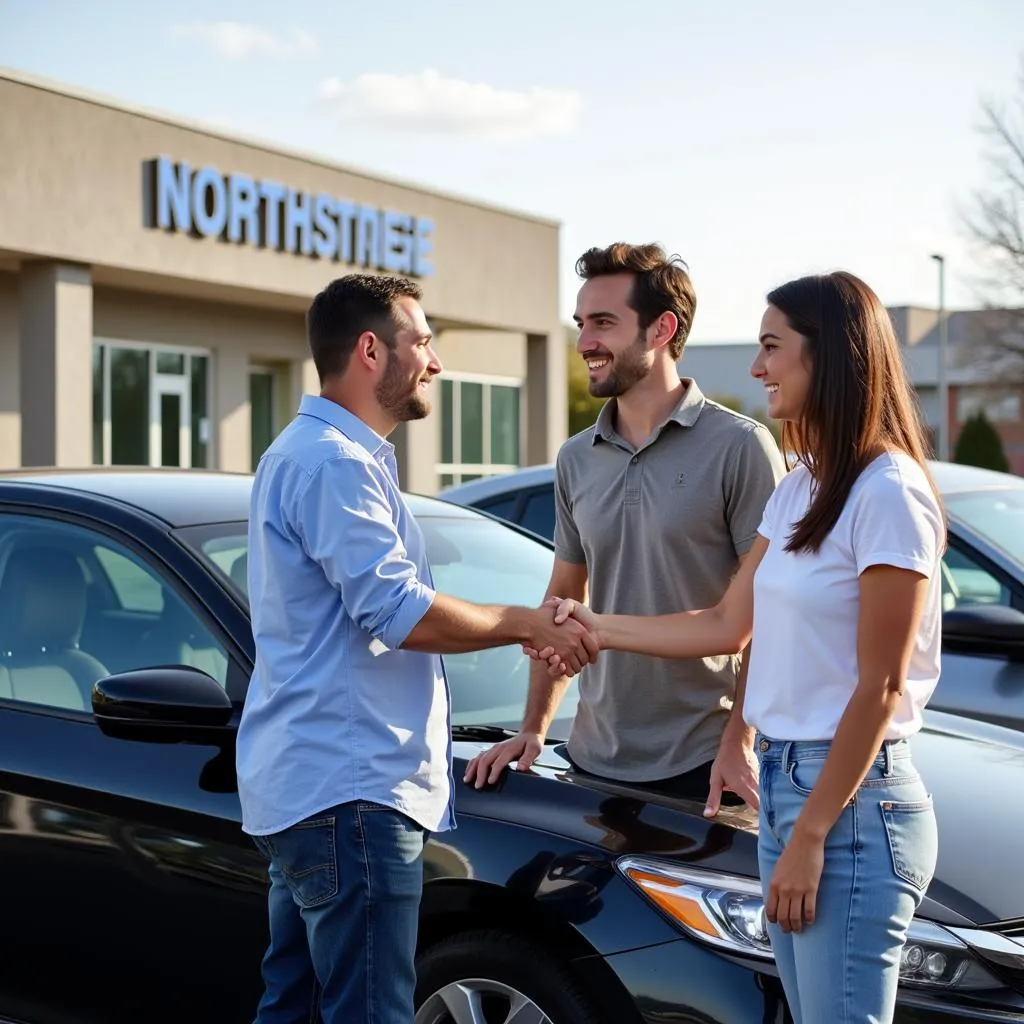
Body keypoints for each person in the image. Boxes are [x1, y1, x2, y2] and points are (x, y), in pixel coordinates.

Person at [543, 271, 944, 1024]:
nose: (757, 368)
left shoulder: (889, 492)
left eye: (771, 347)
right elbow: (727, 621)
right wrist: (588, 623)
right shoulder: (804, 487)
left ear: (833, 358)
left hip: (851, 802)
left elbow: (881, 688)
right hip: (790, 785)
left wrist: (813, 833)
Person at [235, 273, 596, 1024]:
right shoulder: (334, 463)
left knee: (294, 1009)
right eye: (422, 341)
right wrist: (529, 623)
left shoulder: (320, 455)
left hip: (315, 788)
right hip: (351, 791)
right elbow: (398, 612)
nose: (434, 362)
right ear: (371, 350)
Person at [464, 242, 786, 814]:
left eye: (604, 323)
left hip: (705, 768)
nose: (586, 341)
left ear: (662, 329)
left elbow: (767, 616)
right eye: (582, 323)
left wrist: (741, 740)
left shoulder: (740, 447)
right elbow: (562, 599)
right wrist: (535, 728)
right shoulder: (575, 458)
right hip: (591, 763)